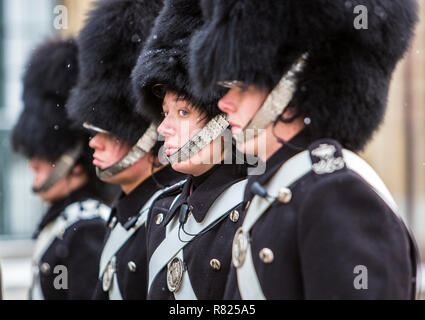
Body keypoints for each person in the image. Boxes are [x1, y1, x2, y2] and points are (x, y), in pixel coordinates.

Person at [189, 0, 419, 299]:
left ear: (291, 89)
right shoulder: (278, 191)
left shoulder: (338, 194)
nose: (223, 102)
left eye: (243, 87)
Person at [66, 0, 184, 300]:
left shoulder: (169, 216)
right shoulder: (123, 214)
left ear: (146, 132)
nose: (93, 141)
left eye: (109, 130)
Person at [132, 0, 249, 300]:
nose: (162, 128)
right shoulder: (162, 211)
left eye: (182, 112)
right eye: (165, 112)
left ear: (224, 117)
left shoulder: (251, 209)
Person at [11, 38, 113, 300]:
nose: (33, 161)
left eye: (46, 153)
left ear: (77, 164)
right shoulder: (65, 222)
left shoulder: (87, 226)